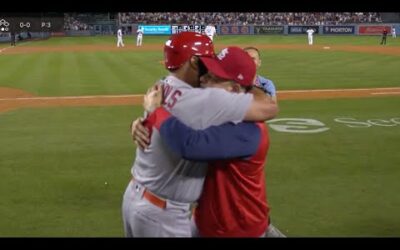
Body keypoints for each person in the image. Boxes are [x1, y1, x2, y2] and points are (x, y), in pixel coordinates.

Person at [122, 32, 278, 237]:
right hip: (201, 220)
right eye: (207, 71)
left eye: (214, 77)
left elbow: (191, 145)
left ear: (233, 90)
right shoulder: (209, 107)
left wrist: (155, 113)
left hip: (238, 228)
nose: (204, 79)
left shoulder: (248, 131)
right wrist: (143, 123)